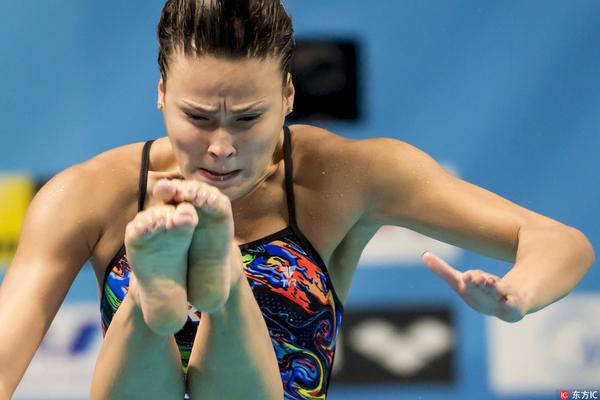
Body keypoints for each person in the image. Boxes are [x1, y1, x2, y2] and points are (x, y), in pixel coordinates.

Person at [0, 0, 595, 399]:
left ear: (287, 96)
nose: (221, 147)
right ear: (161, 93)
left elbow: (558, 242)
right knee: (152, 335)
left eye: (248, 118)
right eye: (198, 117)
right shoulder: (86, 194)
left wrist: (519, 294)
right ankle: (160, 299)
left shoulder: (347, 175)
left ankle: (209, 282)